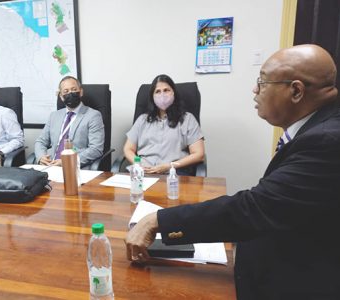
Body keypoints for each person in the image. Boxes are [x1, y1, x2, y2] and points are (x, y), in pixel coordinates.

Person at [125, 44, 340, 299]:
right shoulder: (315, 129)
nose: (255, 89)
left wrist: (158, 220)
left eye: (262, 82)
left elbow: (256, 208)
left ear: (295, 91)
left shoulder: (326, 141)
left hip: (291, 281)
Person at [123, 74, 205, 175]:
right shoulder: (142, 120)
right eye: (158, 91)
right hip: (143, 173)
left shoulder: (188, 119)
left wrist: (169, 166)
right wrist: (138, 164)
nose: (162, 95)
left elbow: (199, 154)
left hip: (173, 174)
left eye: (166, 90)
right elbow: (128, 149)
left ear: (173, 93)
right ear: (152, 97)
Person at [34, 76, 104, 169]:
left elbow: (96, 149)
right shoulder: (54, 116)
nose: (70, 93)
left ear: (81, 92)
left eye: (74, 89)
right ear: (61, 97)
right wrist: (41, 156)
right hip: (50, 165)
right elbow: (40, 141)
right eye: (66, 91)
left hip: (74, 167)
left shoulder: (93, 115)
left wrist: (67, 161)